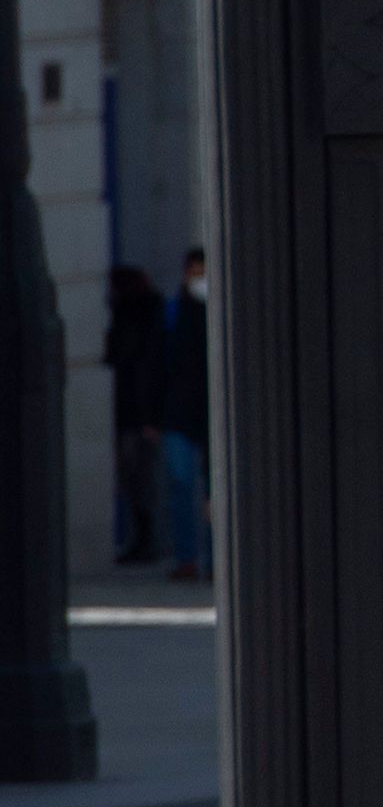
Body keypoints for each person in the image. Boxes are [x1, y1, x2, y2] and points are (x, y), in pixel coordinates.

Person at [104, 265, 166, 565]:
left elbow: (140, 364)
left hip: (138, 414)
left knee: (139, 479)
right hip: (135, 412)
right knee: (136, 479)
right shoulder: (140, 314)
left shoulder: (138, 316)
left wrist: (151, 418)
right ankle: (144, 540)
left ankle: (146, 541)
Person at [158, 247, 212, 582]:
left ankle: (215, 558)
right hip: (178, 413)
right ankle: (187, 558)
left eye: (203, 271)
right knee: (181, 487)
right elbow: (158, 362)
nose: (197, 278)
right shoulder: (174, 311)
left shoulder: (221, 309)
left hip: (211, 414)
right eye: (193, 271)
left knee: (214, 491)